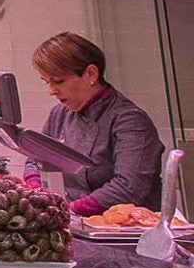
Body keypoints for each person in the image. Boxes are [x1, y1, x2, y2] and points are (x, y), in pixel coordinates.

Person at [35, 32, 166, 213]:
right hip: (75, 221)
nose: (51, 91)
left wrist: (69, 210)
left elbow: (129, 187)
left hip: (125, 231)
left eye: (58, 81)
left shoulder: (130, 121)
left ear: (91, 73)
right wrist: (35, 193)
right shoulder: (60, 114)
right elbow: (36, 157)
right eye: (46, 81)